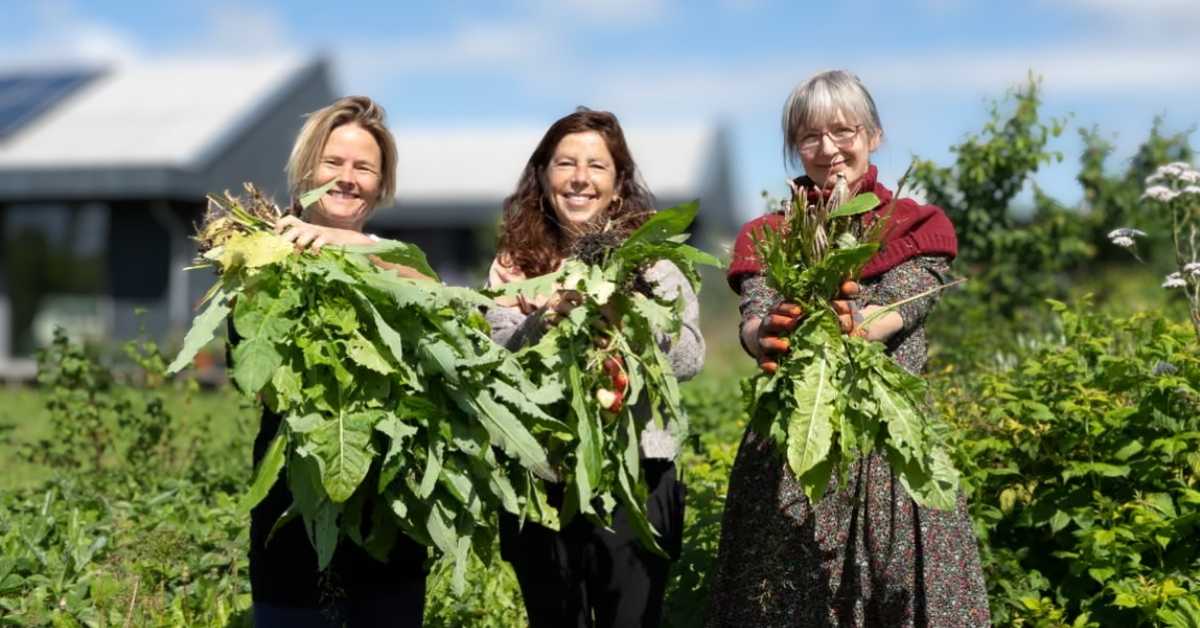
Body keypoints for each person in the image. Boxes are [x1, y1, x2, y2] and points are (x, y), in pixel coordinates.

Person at [706, 71, 991, 627]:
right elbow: (754, 316)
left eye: (844, 130)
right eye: (810, 136)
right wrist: (766, 333)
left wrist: (857, 323)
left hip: (891, 451)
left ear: (874, 136)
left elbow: (903, 306)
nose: (828, 148)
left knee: (905, 594)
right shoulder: (769, 233)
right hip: (795, 452)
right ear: (795, 147)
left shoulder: (914, 225)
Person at [485, 108, 703, 628]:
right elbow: (496, 363)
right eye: (565, 163)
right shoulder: (514, 264)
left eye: (597, 166)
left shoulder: (654, 261)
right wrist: (550, 316)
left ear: (617, 182)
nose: (580, 178)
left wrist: (621, 312)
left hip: (636, 476)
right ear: (542, 175)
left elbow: (691, 358)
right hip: (541, 480)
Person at [237, 96, 428, 627]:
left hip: (389, 507)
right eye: (333, 162)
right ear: (307, 170)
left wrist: (342, 243)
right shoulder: (265, 254)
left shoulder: (396, 257)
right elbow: (255, 376)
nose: (347, 178)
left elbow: (438, 301)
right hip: (293, 503)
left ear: (381, 183)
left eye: (364, 167)